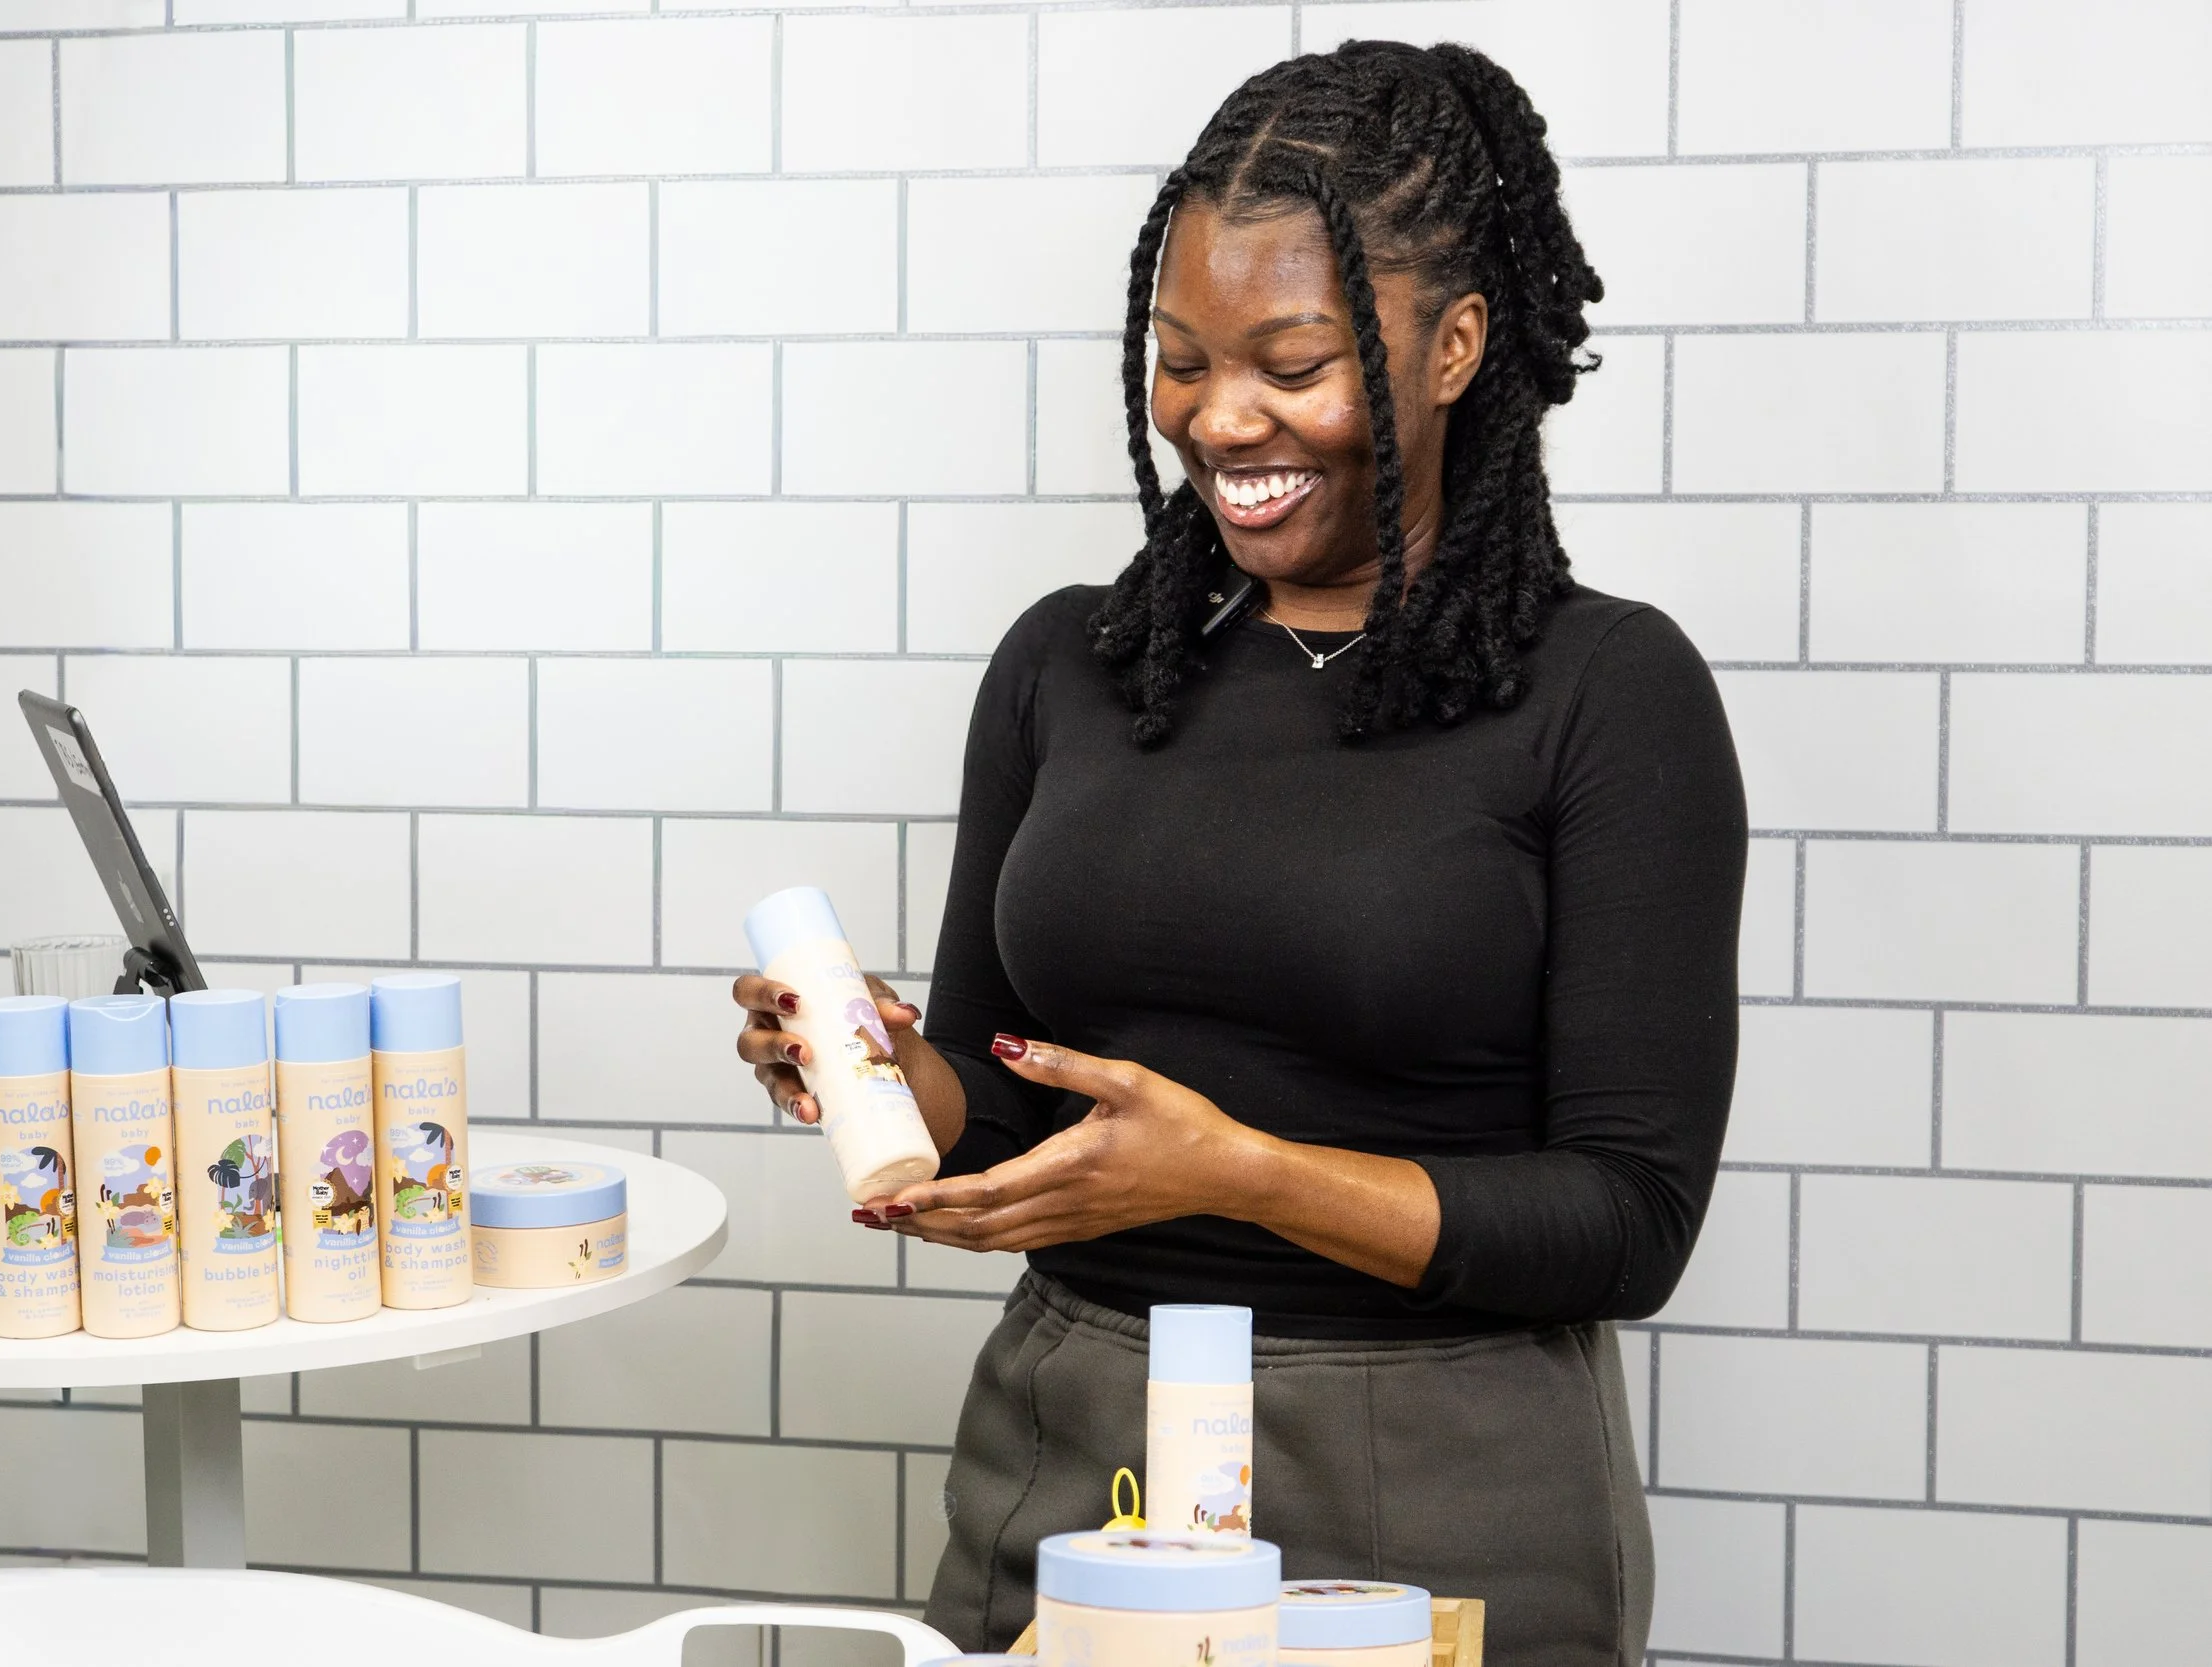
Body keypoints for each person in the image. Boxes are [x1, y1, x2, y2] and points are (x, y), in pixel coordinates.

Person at [730, 39, 1744, 1667]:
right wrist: (878, 1069)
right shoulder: (1073, 664)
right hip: (1076, 1449)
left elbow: (1628, 1219)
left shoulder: (1606, 693)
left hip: (1443, 1477)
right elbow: (1002, 1120)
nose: (1222, 417)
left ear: (1458, 345)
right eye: (1183, 358)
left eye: (1293, 357)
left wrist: (1240, 1175)